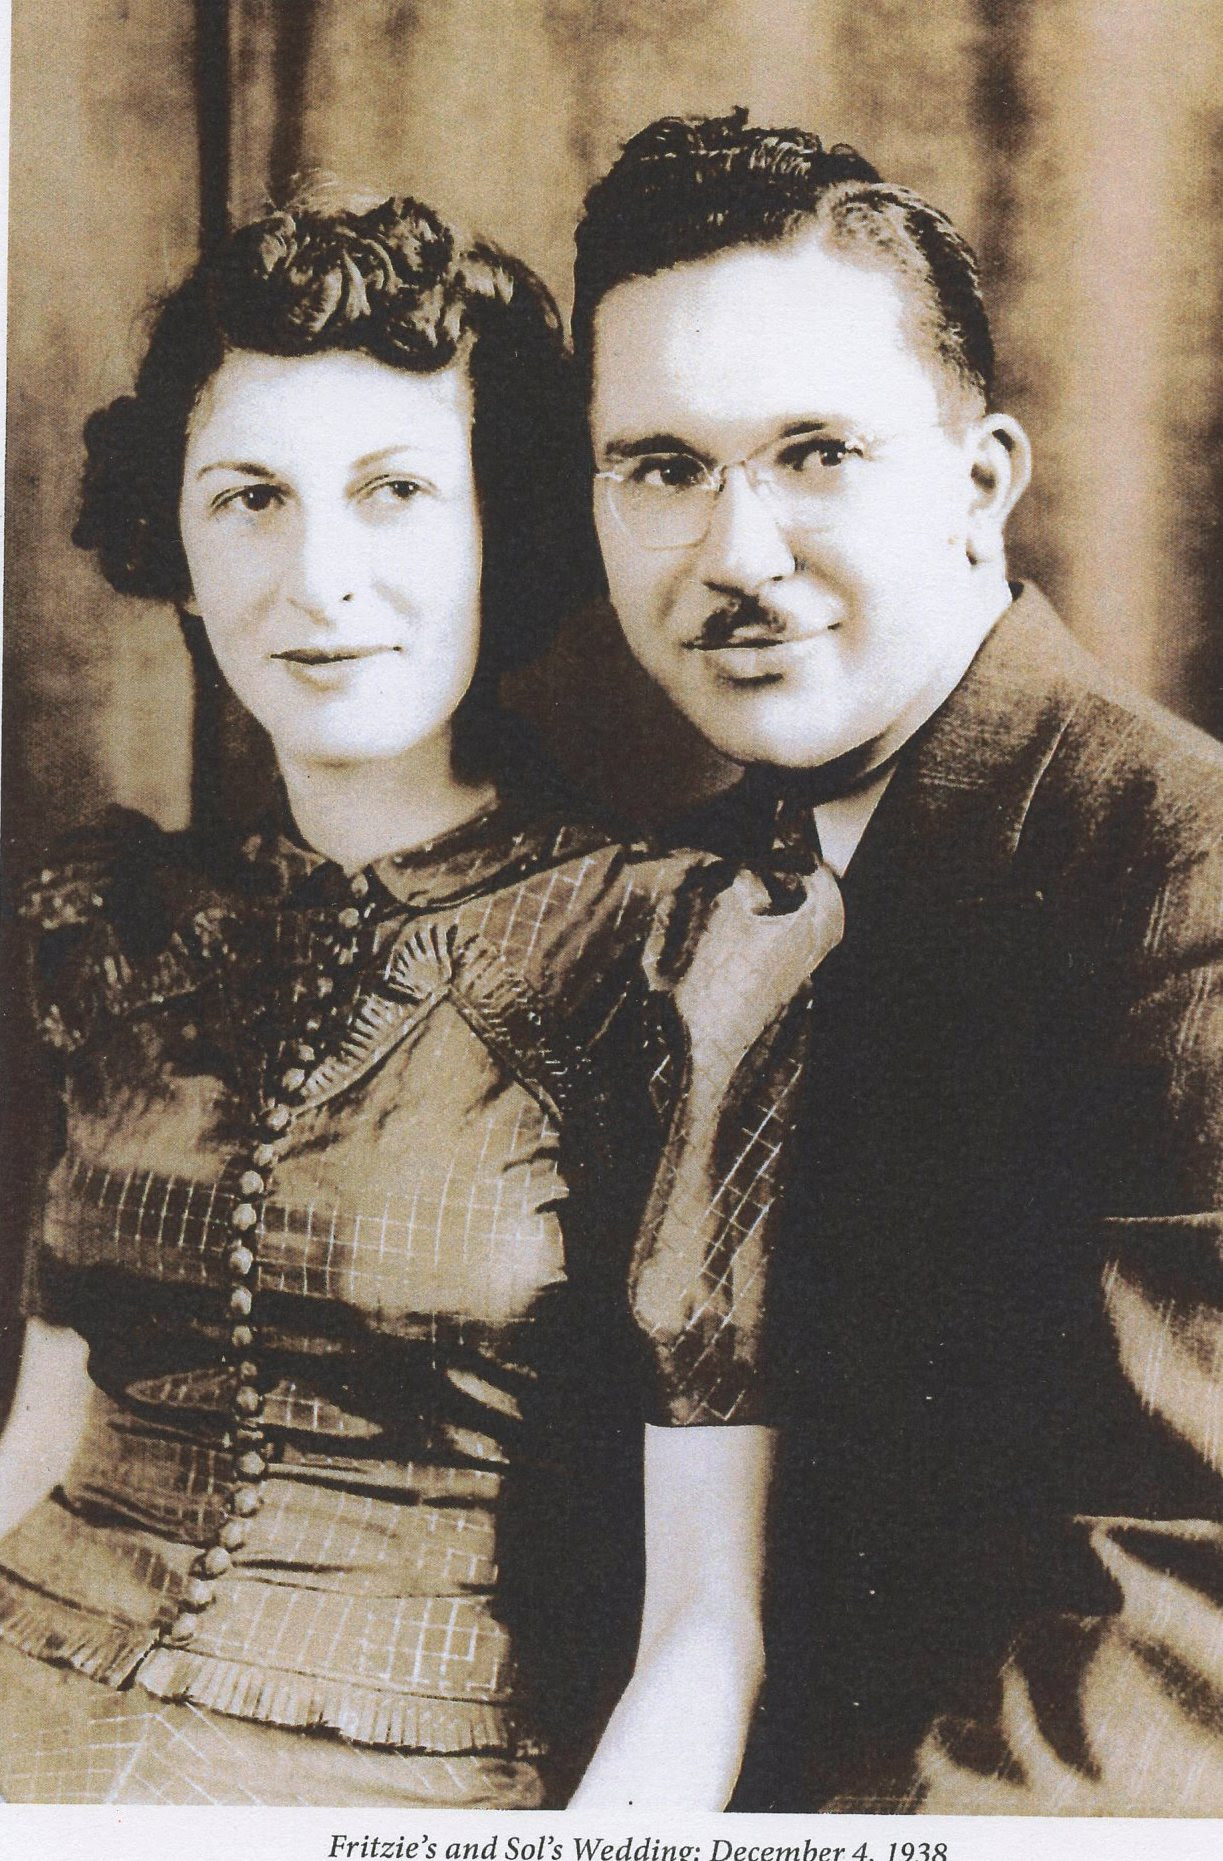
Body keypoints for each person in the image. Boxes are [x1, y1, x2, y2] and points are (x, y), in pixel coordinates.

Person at [0, 193, 842, 1808]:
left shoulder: (668, 950)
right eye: (249, 499)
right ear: (174, 543)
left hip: (389, 1779)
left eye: (395, 493)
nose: (321, 579)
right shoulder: (114, 930)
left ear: (499, 528)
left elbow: (706, 1627)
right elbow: (46, 1431)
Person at [572, 109, 1223, 1814]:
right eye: (662, 467)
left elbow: (1191, 1607)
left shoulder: (1181, 874)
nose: (736, 554)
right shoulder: (679, 888)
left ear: (982, 479)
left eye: (817, 453)